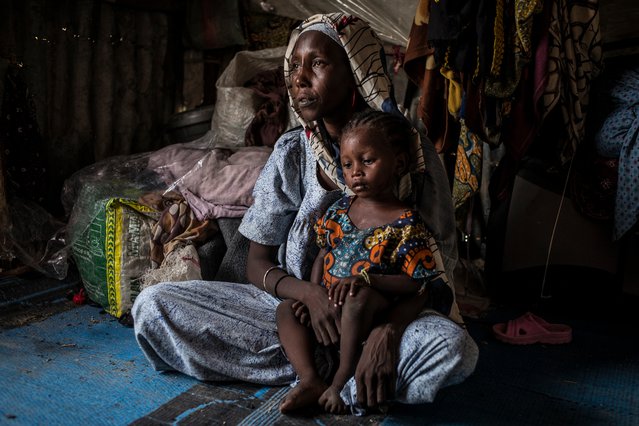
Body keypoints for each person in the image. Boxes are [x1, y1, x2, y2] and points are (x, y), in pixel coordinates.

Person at [132, 13, 478, 415]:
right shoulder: (291, 151)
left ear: (356, 71)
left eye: (317, 63)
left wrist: (387, 331)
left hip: (377, 315)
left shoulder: (409, 153)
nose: (299, 78)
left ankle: (340, 371)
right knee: (154, 305)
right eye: (294, 65)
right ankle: (330, 378)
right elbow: (257, 264)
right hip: (292, 313)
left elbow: (431, 277)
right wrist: (309, 295)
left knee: (452, 348)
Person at [276, 110, 452, 414]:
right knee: (286, 310)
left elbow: (416, 283)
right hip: (328, 308)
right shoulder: (339, 211)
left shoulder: (406, 224)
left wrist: (368, 280)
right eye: (347, 164)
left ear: (398, 163)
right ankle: (310, 378)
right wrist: (315, 297)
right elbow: (322, 256)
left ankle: (341, 381)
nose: (356, 172)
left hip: (367, 309)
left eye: (367, 161)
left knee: (357, 299)